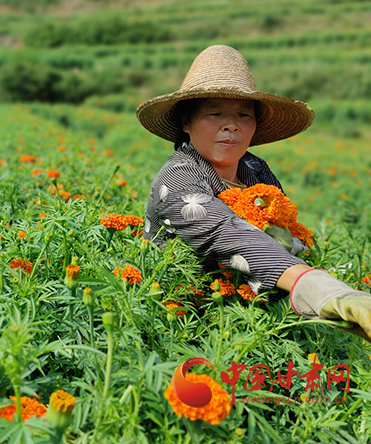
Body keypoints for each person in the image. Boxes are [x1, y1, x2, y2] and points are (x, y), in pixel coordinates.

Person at [136, 45, 371, 341]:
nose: (232, 125)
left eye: (244, 115)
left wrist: (327, 288)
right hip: (191, 326)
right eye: (215, 113)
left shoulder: (254, 168)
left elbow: (282, 231)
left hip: (262, 315)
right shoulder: (178, 177)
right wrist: (318, 286)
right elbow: (228, 233)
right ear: (187, 123)